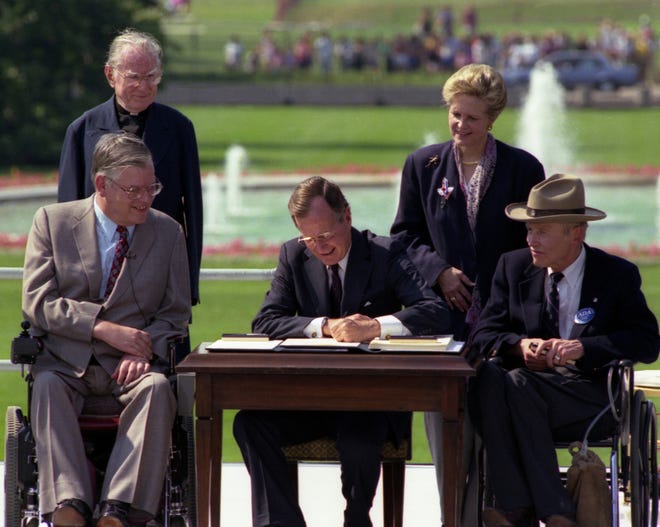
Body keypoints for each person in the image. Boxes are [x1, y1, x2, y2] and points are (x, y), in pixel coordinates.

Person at [233, 175, 449, 527]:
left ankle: (356, 518)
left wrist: (376, 325)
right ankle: (281, 523)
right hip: (310, 399)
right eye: (309, 237)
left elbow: (434, 312)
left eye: (326, 235)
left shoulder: (385, 253)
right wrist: (325, 325)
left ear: (346, 217)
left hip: (372, 400)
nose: (318, 246)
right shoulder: (293, 253)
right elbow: (266, 321)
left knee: (359, 434)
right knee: (250, 424)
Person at [389, 62, 545, 518]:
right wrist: (439, 272)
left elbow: (534, 246)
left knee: (497, 426)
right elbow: (404, 237)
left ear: (492, 119)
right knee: (447, 430)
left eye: (471, 118)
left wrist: (500, 293)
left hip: (504, 324)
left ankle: (502, 514)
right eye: (455, 115)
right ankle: (454, 517)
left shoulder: (522, 168)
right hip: (442, 323)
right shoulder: (423, 165)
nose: (460, 125)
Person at [470, 174, 659, 527]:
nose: (531, 240)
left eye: (542, 231)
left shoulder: (616, 275)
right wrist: (520, 345)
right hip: (524, 392)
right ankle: (546, 509)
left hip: (590, 396)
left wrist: (583, 348)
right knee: (491, 377)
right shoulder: (512, 267)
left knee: (515, 385)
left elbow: (647, 342)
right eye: (529, 230)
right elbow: (483, 335)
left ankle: (525, 509)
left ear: (576, 233)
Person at [23, 133, 192, 527]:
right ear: (102, 185)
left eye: (152, 187)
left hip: (132, 367)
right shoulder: (53, 222)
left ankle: (117, 509)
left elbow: (175, 314)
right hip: (68, 361)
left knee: (156, 390)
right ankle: (69, 505)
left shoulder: (167, 233)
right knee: (47, 386)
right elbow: (38, 302)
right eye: (134, 190)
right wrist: (101, 329)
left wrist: (142, 350)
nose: (145, 199)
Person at [58, 28, 203, 306]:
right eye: (134, 77)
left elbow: (193, 211)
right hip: (95, 279)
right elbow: (67, 215)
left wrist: (188, 287)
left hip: (159, 273)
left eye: (151, 77)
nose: (144, 86)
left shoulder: (179, 128)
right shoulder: (81, 130)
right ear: (110, 75)